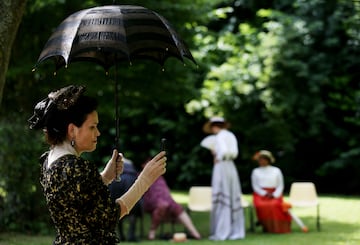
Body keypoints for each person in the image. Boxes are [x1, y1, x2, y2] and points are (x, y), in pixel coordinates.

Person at [28, 85, 167, 244]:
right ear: (73, 130)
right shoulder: (76, 167)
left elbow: (78, 201)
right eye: (92, 127)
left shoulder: (49, 159)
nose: (98, 133)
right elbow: (109, 217)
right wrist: (145, 180)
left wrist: (106, 177)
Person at [200, 116, 245, 241]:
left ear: (214, 126)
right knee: (231, 194)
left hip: (222, 166)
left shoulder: (220, 136)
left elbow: (224, 151)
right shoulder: (230, 135)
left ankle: (222, 231)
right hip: (231, 166)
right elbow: (234, 153)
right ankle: (235, 230)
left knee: (222, 194)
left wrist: (218, 155)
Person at [142, 159, 201, 241]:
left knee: (177, 207)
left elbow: (165, 192)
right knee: (162, 205)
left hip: (167, 202)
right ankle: (152, 231)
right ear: (143, 166)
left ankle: (194, 232)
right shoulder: (141, 178)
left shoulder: (160, 177)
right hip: (150, 202)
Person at [251, 150, 308, 233]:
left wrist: (274, 194)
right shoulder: (255, 171)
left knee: (274, 205)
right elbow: (255, 186)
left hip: (275, 194)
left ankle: (278, 228)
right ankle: (266, 226)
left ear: (268, 160)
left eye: (263, 159)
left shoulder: (276, 170)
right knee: (261, 206)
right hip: (260, 195)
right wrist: (265, 193)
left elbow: (280, 185)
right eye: (260, 159)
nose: (261, 161)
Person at [109, 158, 143, 242]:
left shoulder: (113, 177)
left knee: (118, 213)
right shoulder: (132, 177)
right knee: (133, 213)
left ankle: (121, 235)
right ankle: (131, 235)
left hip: (114, 202)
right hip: (131, 203)